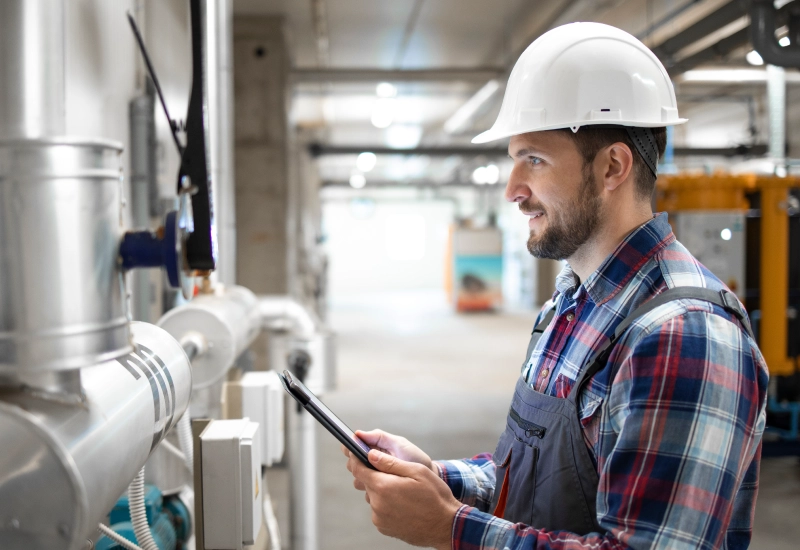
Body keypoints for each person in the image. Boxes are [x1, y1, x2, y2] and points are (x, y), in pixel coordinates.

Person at [342, 22, 768, 550]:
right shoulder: (570, 304)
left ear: (613, 165)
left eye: (535, 160)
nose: (513, 190)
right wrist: (437, 480)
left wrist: (450, 527)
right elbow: (533, 487)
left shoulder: (684, 335)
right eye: (513, 159)